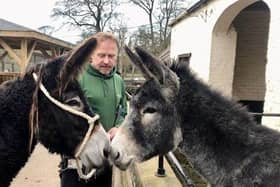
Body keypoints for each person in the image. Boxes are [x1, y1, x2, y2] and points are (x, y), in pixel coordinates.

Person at [59, 32, 127, 187]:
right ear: (90, 55)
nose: (106, 61)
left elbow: (122, 109)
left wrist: (118, 127)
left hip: (105, 160)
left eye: (111, 56)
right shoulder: (75, 78)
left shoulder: (119, 81)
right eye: (101, 55)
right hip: (76, 163)